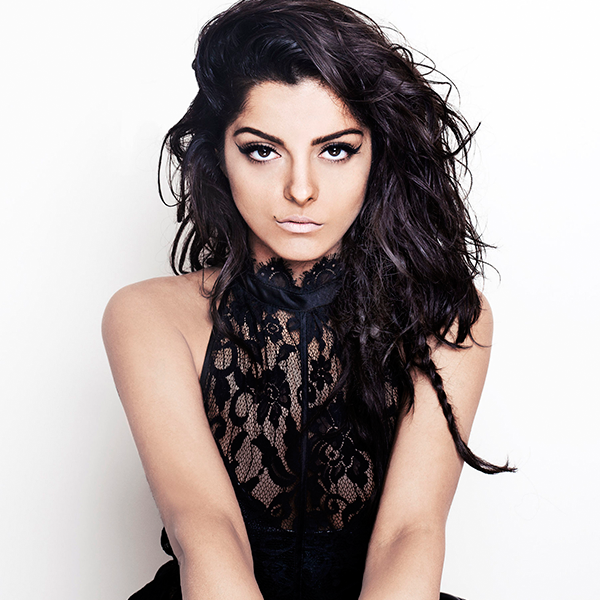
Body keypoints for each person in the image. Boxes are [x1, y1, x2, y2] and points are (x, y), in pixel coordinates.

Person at [102, 1, 513, 599]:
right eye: (262, 150)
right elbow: (206, 532)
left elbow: (410, 533)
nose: (301, 189)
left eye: (336, 149)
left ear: (378, 157)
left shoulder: (446, 316)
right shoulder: (149, 315)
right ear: (219, 155)